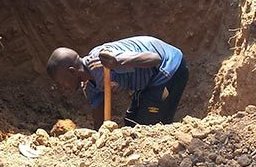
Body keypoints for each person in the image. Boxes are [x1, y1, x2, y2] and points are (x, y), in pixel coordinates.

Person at [47, 36, 189, 128]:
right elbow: (100, 122)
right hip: (149, 83)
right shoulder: (90, 87)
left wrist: (119, 62)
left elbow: (154, 58)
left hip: (169, 67)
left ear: (72, 71)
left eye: (61, 82)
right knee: (131, 124)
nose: (62, 88)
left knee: (146, 126)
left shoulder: (102, 60)